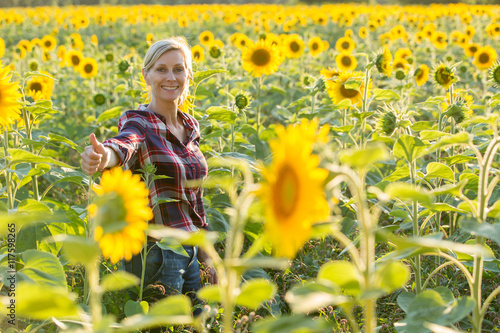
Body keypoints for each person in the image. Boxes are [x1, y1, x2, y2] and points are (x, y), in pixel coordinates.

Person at [80, 37, 218, 316]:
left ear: (188, 75)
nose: (171, 77)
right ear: (146, 75)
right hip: (157, 255)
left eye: (178, 69)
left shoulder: (190, 126)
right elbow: (124, 144)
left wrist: (208, 257)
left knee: (196, 322)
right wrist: (103, 156)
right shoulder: (140, 121)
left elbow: (194, 200)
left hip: (190, 251)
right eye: (161, 69)